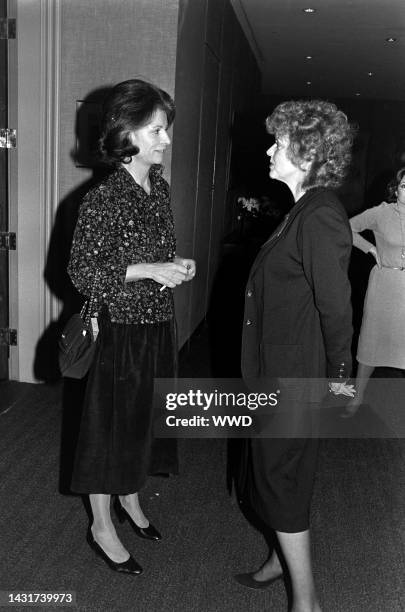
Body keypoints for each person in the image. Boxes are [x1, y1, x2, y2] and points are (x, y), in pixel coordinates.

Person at [67, 79, 196, 575]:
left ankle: (130, 498)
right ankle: (102, 523)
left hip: (156, 324)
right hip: (118, 331)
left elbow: (152, 252)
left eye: (166, 129)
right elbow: (82, 274)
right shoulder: (102, 200)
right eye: (158, 129)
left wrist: (173, 264)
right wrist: (146, 271)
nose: (165, 139)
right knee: (110, 430)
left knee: (144, 422)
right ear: (128, 132)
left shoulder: (156, 186)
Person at [235, 100, 355, 612]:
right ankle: (276, 560)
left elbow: (336, 306)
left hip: (293, 376)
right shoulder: (303, 209)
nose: (269, 149)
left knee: (281, 474)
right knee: (273, 469)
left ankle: (306, 604)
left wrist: (340, 378)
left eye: (279, 143)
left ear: (305, 153)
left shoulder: (321, 214)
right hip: (278, 368)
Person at [342, 167, 405, 417]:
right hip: (385, 285)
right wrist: (371, 249)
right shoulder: (381, 212)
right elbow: (347, 227)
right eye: (404, 186)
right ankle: (357, 396)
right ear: (395, 189)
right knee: (372, 341)